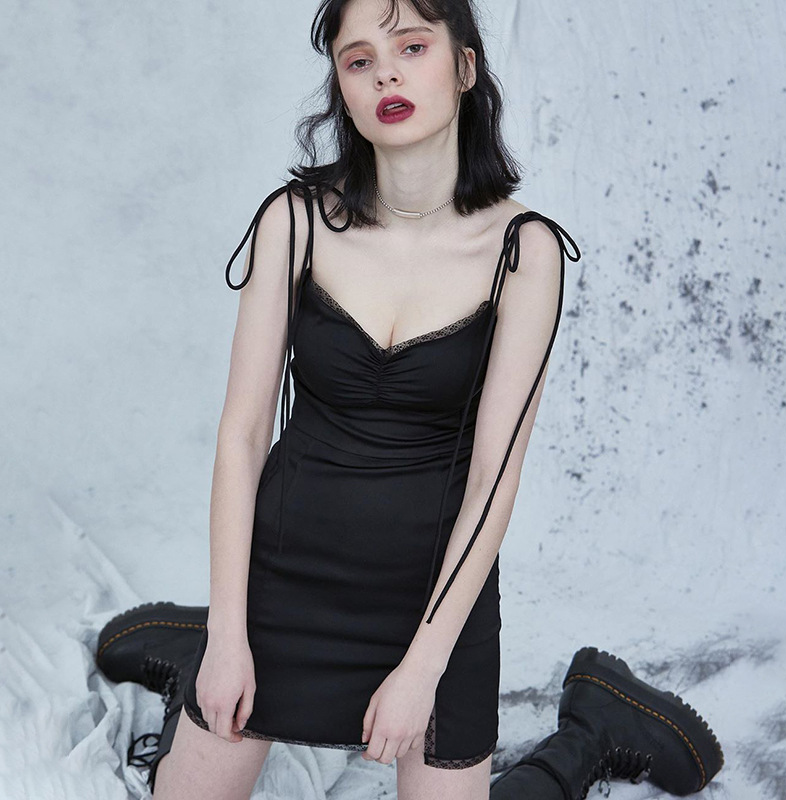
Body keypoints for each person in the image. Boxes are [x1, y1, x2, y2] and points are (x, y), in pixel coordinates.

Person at [97, 1, 724, 798]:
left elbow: (495, 476)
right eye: (358, 60)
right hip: (284, 575)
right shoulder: (295, 221)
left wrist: (423, 666)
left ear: (464, 67)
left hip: (435, 598)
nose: (385, 73)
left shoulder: (523, 251)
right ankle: (193, 645)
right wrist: (229, 633)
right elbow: (243, 435)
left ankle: (592, 730)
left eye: (413, 47)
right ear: (344, 89)